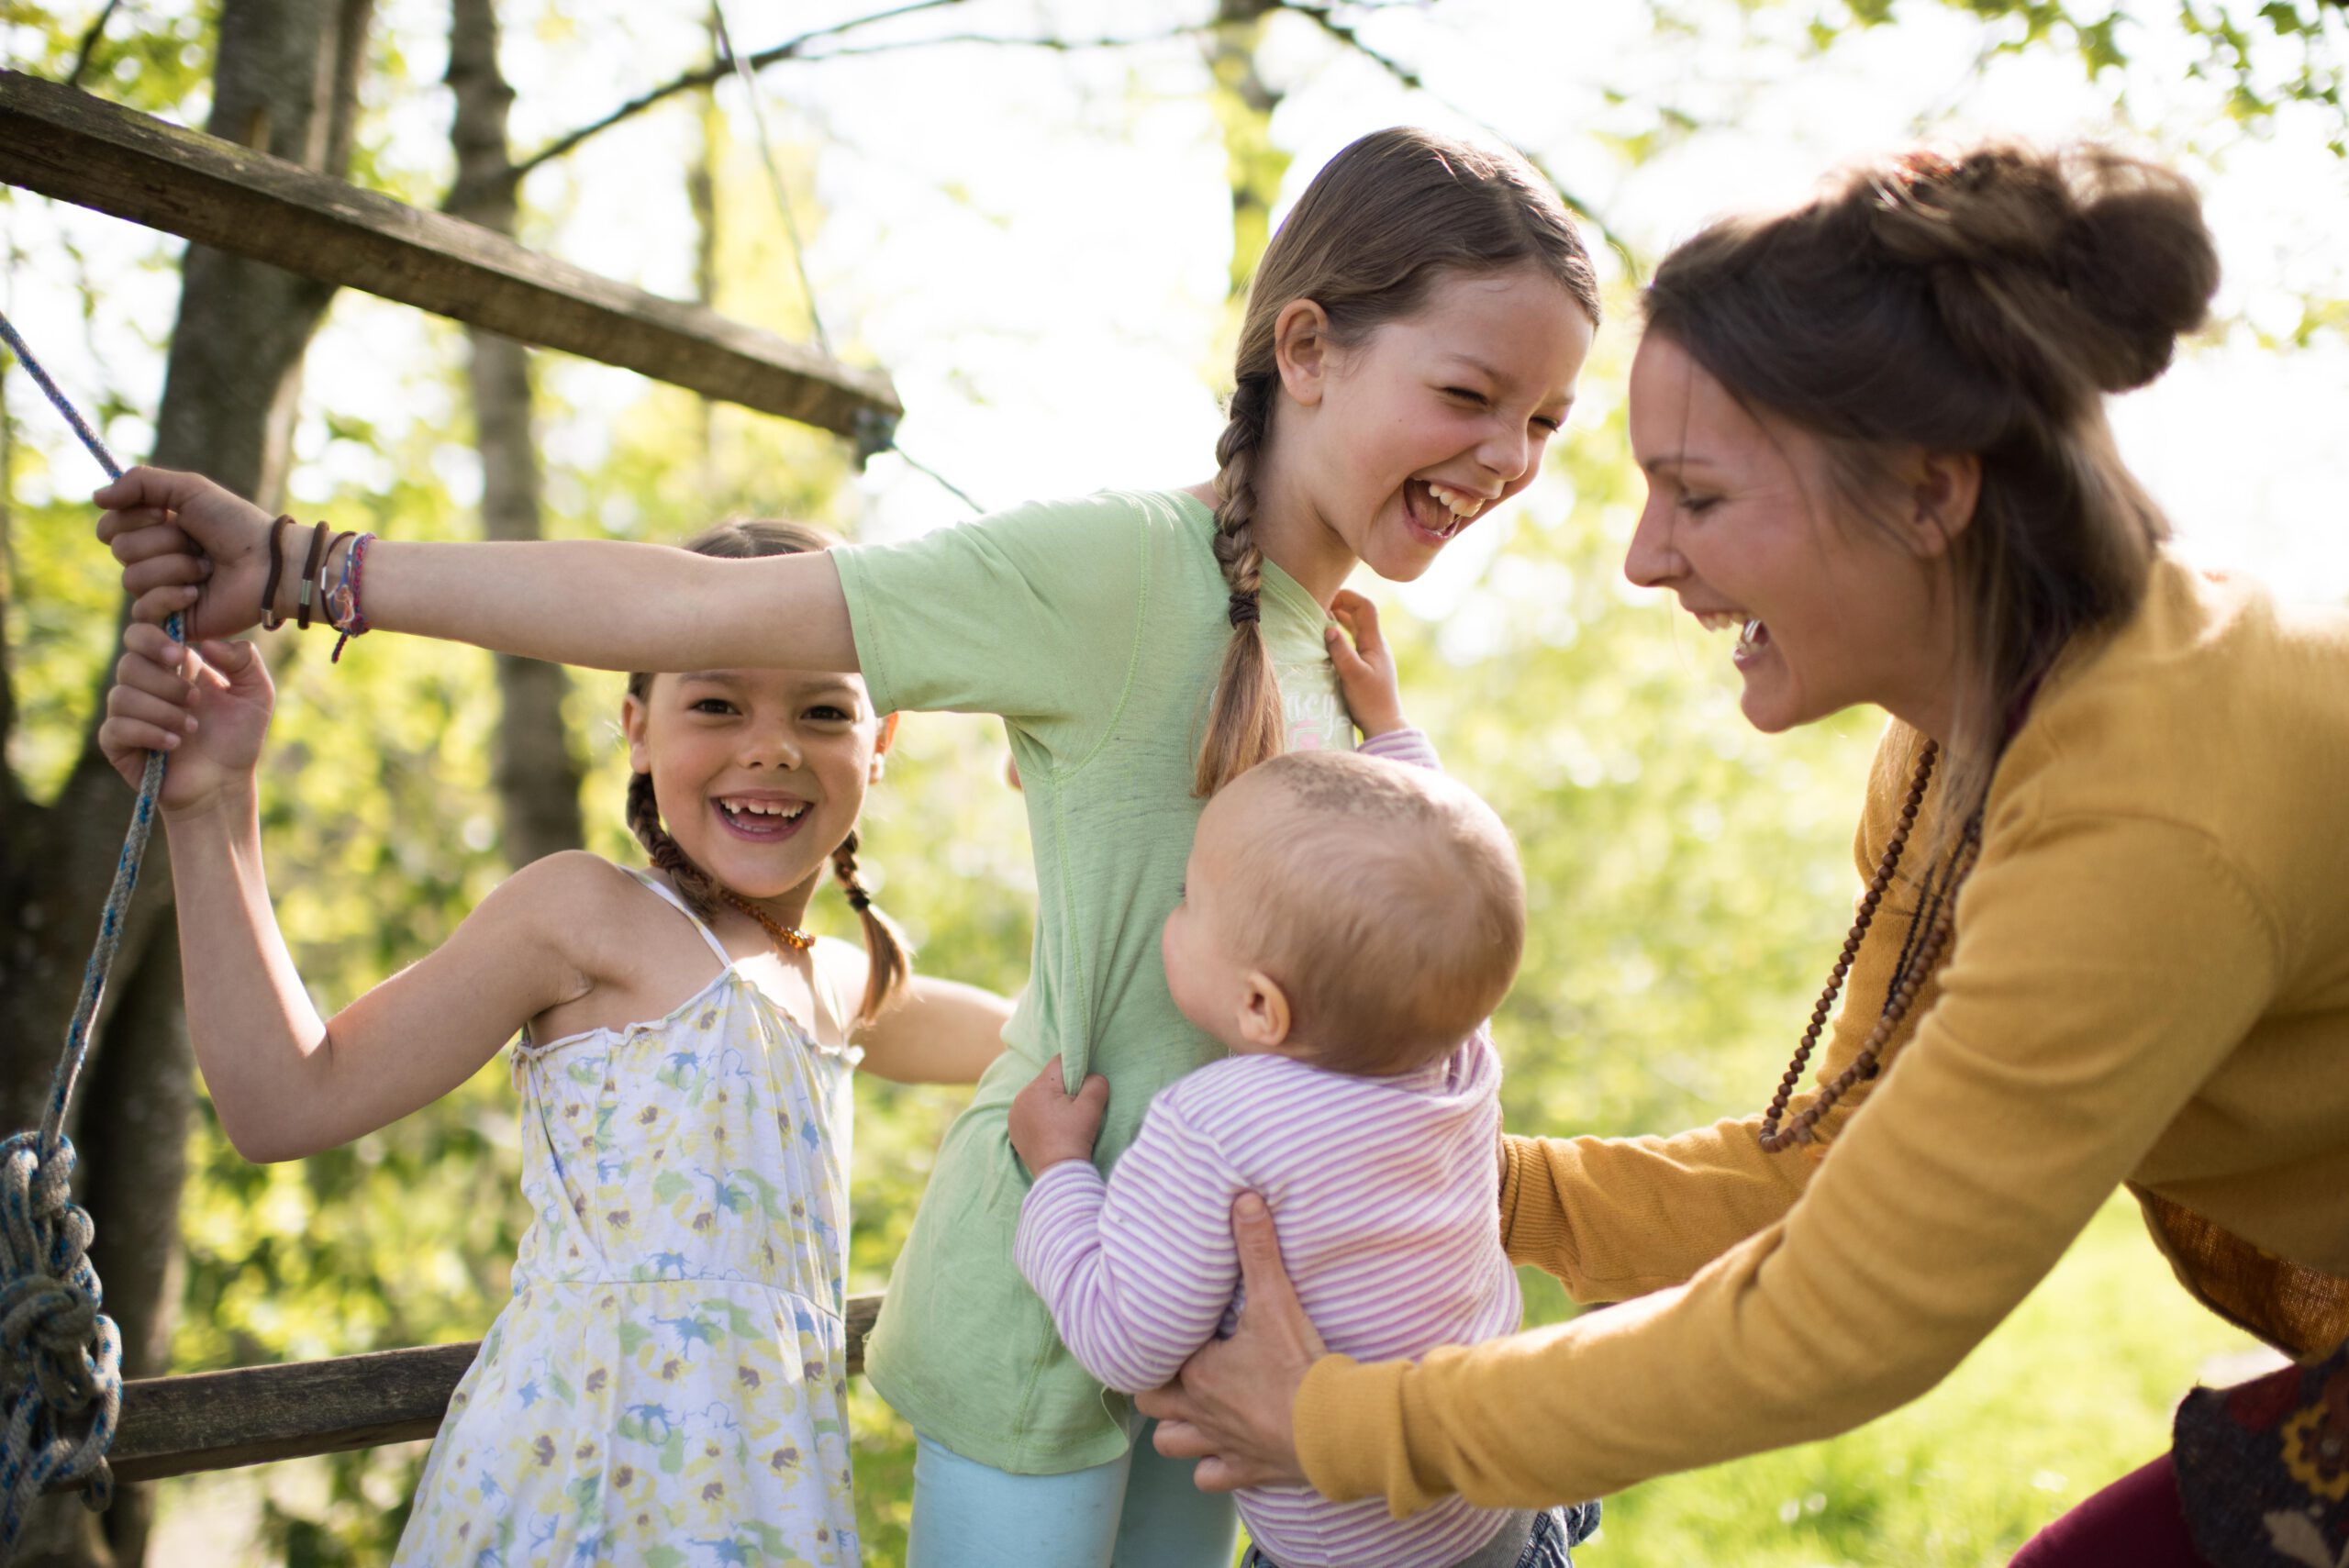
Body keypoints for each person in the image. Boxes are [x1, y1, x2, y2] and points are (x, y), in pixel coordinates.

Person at [95, 125, 1603, 1566]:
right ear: (1311, 347)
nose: (1511, 455)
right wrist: (310, 565)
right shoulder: (1119, 570)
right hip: (1046, 1307)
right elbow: (691, 610)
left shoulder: (1342, 652)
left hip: (1226, 1340)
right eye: (1473, 392)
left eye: (1544, 420)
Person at [1133, 139, 2349, 1567]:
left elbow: (1850, 1310)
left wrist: (1356, 1423)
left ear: (1928, 493)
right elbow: (1833, 1164)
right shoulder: (1970, 741)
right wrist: (1421, 1163)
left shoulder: (2148, 802)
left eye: (1697, 497)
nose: (1644, 560)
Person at [97, 518, 1012, 1566]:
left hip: (767, 1501)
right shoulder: (583, 914)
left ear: (880, 741)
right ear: (637, 725)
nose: (771, 745)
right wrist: (214, 804)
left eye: (821, 709)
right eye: (715, 702)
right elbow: (284, 1100)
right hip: (573, 1484)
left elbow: (1033, 1037)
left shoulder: (834, 981)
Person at [1005, 593, 1602, 1568]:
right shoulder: (1451, 1046)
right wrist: (1392, 732)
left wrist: (1060, 1169)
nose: (1176, 903)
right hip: (1503, 1502)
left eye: (1189, 897)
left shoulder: (1217, 1123)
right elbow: (1435, 894)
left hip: (1349, 1549)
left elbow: (1126, 1339)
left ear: (1258, 1011)